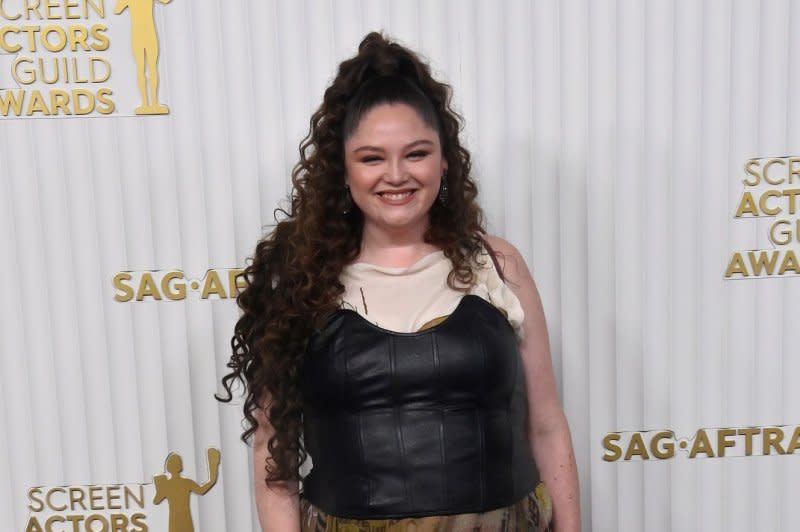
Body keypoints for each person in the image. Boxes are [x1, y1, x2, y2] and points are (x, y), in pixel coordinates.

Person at [217, 32, 580, 532]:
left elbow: (546, 424)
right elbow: (272, 453)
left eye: (416, 154)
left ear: (445, 159)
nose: (395, 175)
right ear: (342, 171)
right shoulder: (301, 283)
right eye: (371, 158)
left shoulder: (498, 265)